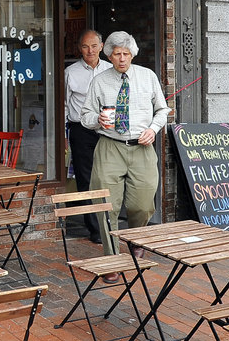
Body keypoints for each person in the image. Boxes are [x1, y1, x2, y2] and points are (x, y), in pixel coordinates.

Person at [81, 31, 170, 264]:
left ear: (132, 55)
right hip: (110, 146)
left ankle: (135, 240)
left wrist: (153, 129)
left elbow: (162, 110)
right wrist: (97, 119)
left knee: (142, 202)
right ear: (109, 55)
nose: (122, 58)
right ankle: (112, 257)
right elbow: (85, 115)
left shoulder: (147, 76)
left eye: (126, 54)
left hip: (141, 147)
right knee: (106, 204)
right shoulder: (99, 81)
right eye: (117, 54)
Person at [65, 29, 112, 243]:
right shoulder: (71, 72)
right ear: (79, 48)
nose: (90, 50)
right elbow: (64, 104)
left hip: (107, 130)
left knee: (108, 176)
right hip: (81, 131)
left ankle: (110, 223)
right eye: (85, 46)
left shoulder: (111, 70)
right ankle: (94, 229)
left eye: (94, 46)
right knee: (86, 179)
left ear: (102, 47)